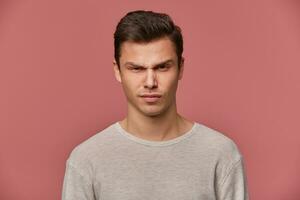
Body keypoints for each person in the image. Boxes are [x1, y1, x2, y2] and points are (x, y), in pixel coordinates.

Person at [62, 10, 249, 200]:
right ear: (117, 71)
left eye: (162, 67)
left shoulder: (221, 155)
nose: (150, 82)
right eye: (136, 68)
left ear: (180, 68)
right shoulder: (86, 161)